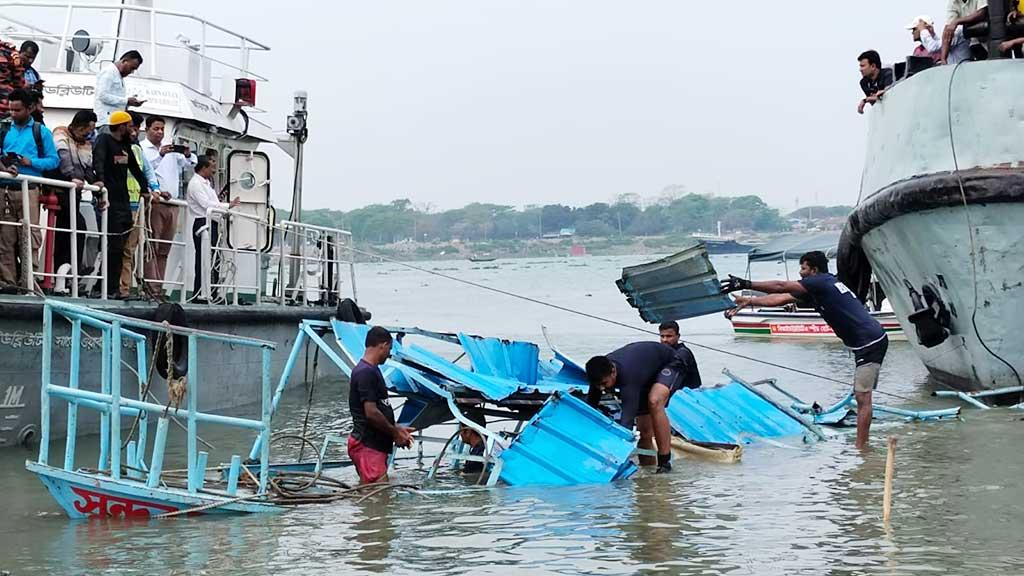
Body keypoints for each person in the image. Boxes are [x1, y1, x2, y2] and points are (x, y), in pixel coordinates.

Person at [721, 251, 888, 450]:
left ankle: (862, 450)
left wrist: (746, 284)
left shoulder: (820, 283)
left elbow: (780, 285)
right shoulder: (820, 287)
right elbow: (781, 298)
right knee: (862, 395)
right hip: (868, 341)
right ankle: (863, 445)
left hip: (869, 344)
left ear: (814, 270)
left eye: (803, 269)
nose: (800, 273)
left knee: (863, 397)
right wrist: (750, 301)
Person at [585, 341, 702, 473]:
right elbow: (590, 408)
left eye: (604, 383)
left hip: (672, 362)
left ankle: (664, 463)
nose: (602, 388)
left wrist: (614, 455)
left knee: (654, 401)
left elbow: (627, 422)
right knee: (644, 433)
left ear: (613, 372)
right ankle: (648, 468)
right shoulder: (598, 374)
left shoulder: (628, 378)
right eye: (597, 385)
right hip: (645, 375)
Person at [0, 88, 58, 290]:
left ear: (29, 109)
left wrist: (30, 162)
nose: (13, 114)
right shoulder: (4, 129)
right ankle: (8, 282)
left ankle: (28, 281)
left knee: (30, 236)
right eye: (11, 110)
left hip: (30, 189)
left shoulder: (41, 132)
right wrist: (5, 166)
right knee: (5, 238)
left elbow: (53, 161)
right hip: (5, 189)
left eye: (17, 110)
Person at [347, 326, 414, 484]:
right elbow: (371, 413)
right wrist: (395, 434)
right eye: (389, 348)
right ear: (382, 345)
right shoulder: (365, 373)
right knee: (377, 496)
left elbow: (380, 408)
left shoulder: (372, 370)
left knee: (372, 494)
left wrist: (396, 427)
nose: (389, 353)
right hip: (368, 446)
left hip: (372, 446)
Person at [92, 110, 149, 297]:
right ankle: (106, 288)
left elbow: (135, 168)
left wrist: (145, 188)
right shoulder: (104, 140)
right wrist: (99, 182)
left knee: (121, 246)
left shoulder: (126, 146)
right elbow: (98, 161)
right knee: (114, 245)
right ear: (122, 125)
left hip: (124, 201)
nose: (132, 130)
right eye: (130, 126)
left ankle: (112, 287)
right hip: (110, 200)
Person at [140, 115, 196, 290]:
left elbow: (190, 163)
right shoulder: (142, 148)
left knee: (165, 249)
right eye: (156, 129)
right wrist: (160, 155)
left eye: (162, 129)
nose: (159, 132)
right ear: (147, 129)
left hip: (173, 204)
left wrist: (186, 153)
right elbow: (145, 170)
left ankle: (159, 286)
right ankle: (150, 286)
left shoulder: (171, 151)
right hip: (155, 203)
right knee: (152, 246)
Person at [116, 112, 160, 298]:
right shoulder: (118, 147)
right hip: (120, 204)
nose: (134, 131)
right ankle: (118, 287)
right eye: (132, 127)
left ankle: (124, 288)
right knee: (118, 248)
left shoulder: (136, 149)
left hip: (136, 206)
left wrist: (155, 189)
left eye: (136, 128)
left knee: (129, 249)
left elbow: (147, 172)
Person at [52, 110, 100, 274]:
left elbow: (87, 168)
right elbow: (63, 158)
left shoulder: (86, 144)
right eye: (88, 129)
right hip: (62, 189)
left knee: (73, 230)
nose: (89, 133)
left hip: (76, 192)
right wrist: (72, 178)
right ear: (78, 126)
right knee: (73, 228)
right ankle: (67, 271)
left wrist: (97, 184)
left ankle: (70, 271)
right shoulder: (61, 133)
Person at [186, 156, 239, 301]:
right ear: (203, 168)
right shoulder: (196, 184)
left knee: (213, 259)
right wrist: (228, 205)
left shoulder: (206, 184)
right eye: (211, 168)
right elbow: (205, 204)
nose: (213, 171)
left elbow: (212, 202)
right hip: (203, 223)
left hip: (212, 222)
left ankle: (211, 292)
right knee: (203, 259)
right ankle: (200, 293)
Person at [94, 51, 145, 133]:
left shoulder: (118, 76)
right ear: (124, 61)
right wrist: (126, 101)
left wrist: (129, 103)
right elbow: (102, 95)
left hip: (115, 123)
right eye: (132, 68)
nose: (131, 72)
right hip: (107, 122)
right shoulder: (108, 72)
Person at [857, 50, 893, 115]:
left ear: (873, 66)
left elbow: (889, 96)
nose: (860, 69)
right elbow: (875, 103)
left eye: (863, 66)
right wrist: (869, 99)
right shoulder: (864, 83)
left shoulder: (888, 74)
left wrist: (865, 100)